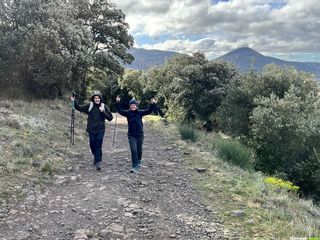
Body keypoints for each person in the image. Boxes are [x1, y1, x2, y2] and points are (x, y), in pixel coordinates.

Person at [71, 91, 113, 170]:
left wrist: (103, 111)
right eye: (95, 98)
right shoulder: (89, 106)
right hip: (91, 130)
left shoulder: (104, 106)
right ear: (93, 99)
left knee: (98, 145)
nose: (97, 99)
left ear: (100, 99)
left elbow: (110, 118)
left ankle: (98, 162)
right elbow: (79, 107)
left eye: (98, 98)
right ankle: (96, 155)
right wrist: (74, 101)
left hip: (100, 129)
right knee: (92, 144)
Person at [116, 96, 157, 173]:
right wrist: (117, 102)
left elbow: (149, 111)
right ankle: (135, 166)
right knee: (133, 150)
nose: (133, 106)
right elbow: (120, 111)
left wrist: (153, 103)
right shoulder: (128, 113)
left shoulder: (140, 112)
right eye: (131, 105)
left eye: (134, 105)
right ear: (130, 106)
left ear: (136, 105)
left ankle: (139, 160)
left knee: (139, 150)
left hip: (140, 134)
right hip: (131, 135)